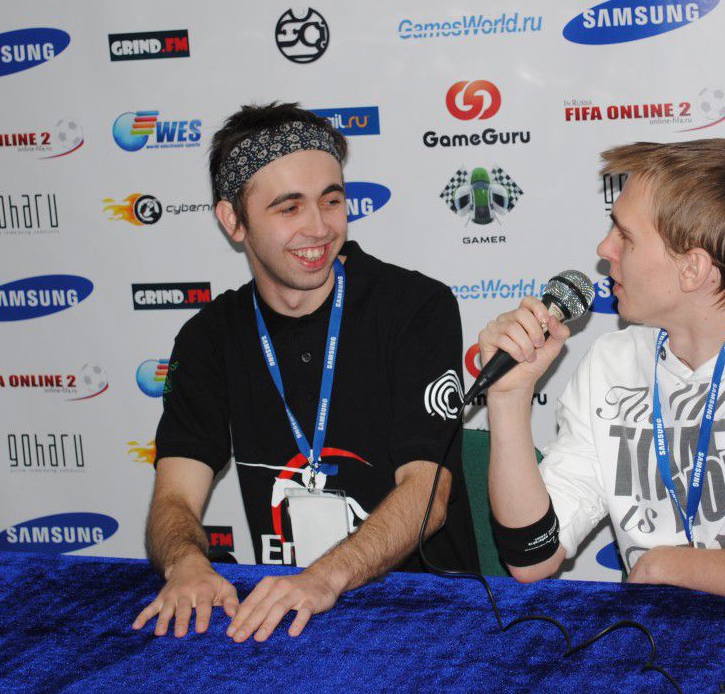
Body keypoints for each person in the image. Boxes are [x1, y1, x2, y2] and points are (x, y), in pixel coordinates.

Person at [479, 139, 725, 606]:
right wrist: (509, 399)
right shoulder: (610, 363)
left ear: (692, 268)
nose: (604, 248)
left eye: (625, 236)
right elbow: (533, 557)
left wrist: (667, 565)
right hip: (664, 640)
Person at [133, 102, 477, 642]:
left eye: (331, 201)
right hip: (290, 620)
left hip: (426, 616)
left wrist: (323, 579)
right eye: (289, 208)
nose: (318, 227)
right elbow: (174, 496)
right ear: (233, 221)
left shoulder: (416, 308)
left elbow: (428, 494)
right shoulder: (208, 338)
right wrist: (186, 564)